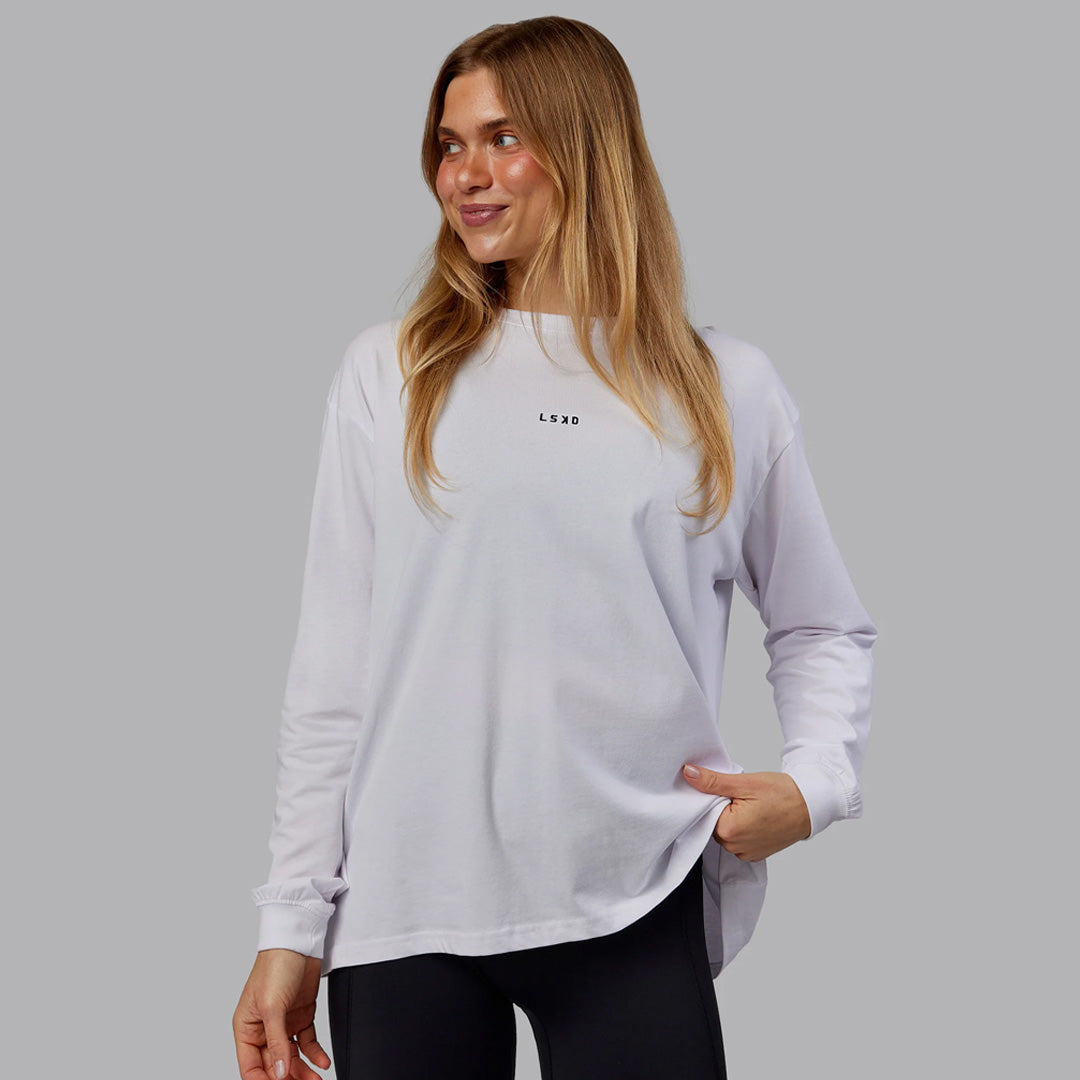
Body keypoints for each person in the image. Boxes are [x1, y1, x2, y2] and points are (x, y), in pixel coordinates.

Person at [231, 16, 877, 1080]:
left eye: (504, 138)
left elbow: (820, 624)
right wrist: (291, 919)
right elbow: (333, 672)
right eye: (449, 145)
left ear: (587, 147)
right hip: (408, 910)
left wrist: (815, 784)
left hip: (636, 890)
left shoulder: (725, 388)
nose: (466, 174)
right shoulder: (391, 373)